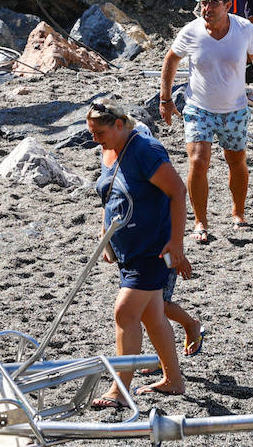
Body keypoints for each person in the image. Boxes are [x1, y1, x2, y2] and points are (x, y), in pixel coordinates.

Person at [87, 98, 191, 409]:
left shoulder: (145, 150)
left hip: (153, 247)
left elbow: (178, 191)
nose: (94, 139)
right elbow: (111, 195)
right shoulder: (110, 149)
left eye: (99, 133)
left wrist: (177, 242)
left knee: (125, 312)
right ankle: (174, 381)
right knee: (152, 316)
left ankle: (120, 391)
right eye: (90, 132)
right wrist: (106, 238)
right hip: (128, 250)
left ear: (119, 124)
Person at [160, 0, 253, 244]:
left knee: (236, 162)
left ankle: (238, 213)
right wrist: (165, 99)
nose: (206, 8)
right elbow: (171, 59)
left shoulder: (244, 29)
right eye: (203, 2)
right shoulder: (191, 31)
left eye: (213, 3)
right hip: (199, 107)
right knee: (198, 162)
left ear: (228, 4)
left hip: (234, 109)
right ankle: (200, 221)